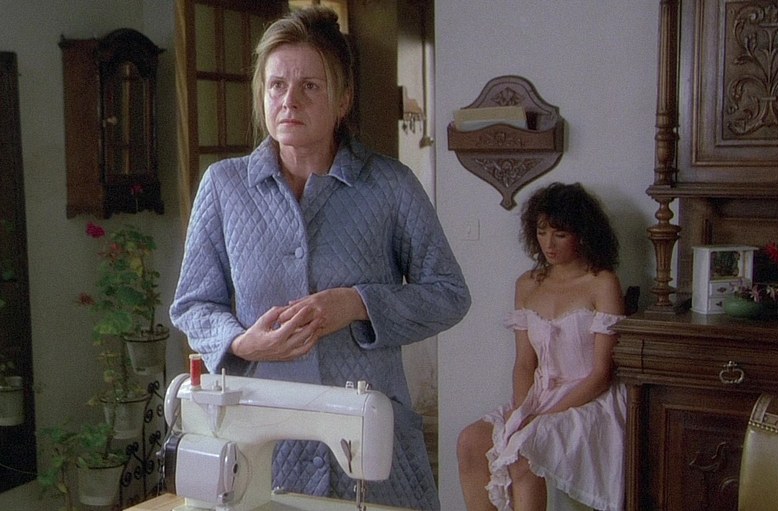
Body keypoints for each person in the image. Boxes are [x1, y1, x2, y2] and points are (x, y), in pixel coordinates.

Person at [169, 6, 470, 510]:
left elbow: (449, 294)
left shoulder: (390, 185)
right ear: (262, 95)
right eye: (276, 86)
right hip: (262, 443)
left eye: (310, 86)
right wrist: (241, 342)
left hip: (373, 441)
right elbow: (192, 305)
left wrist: (357, 304)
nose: (289, 100)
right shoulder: (222, 187)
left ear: (343, 99)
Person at [457, 182, 626, 511]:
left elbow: (601, 374)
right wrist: (523, 410)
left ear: (582, 235)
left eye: (560, 234)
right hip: (538, 395)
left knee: (525, 449)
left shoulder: (602, 283)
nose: (548, 243)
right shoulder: (527, 284)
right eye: (541, 231)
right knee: (470, 441)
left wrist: (541, 417)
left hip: (590, 399)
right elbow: (524, 363)